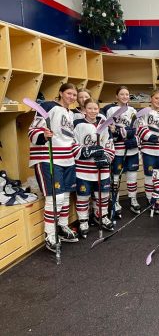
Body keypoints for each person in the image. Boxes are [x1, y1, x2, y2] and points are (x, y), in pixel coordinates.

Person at [28, 83, 80, 252]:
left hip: (67, 160)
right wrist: (43, 135)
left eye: (74, 95)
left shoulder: (71, 113)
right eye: (69, 93)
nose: (72, 97)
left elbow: (69, 138)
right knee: (54, 198)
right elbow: (32, 131)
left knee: (65, 196)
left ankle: (62, 227)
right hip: (49, 159)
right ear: (61, 93)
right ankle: (50, 234)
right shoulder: (48, 106)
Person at [73, 98, 115, 238]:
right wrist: (88, 151)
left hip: (101, 169)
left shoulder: (104, 125)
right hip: (83, 170)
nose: (93, 111)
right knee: (83, 196)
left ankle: (101, 216)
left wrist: (106, 158)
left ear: (98, 110)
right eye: (90, 108)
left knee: (102, 195)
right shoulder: (77, 124)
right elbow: (73, 145)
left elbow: (109, 145)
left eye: (95, 109)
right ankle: (83, 221)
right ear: (84, 109)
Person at [102, 86, 141, 215]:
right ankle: (115, 200)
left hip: (131, 149)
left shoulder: (133, 110)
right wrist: (119, 133)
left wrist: (132, 137)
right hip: (118, 149)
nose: (125, 96)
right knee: (116, 175)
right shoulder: (111, 110)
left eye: (127, 94)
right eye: (122, 94)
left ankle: (133, 198)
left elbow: (136, 129)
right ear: (116, 96)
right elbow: (110, 129)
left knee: (132, 174)